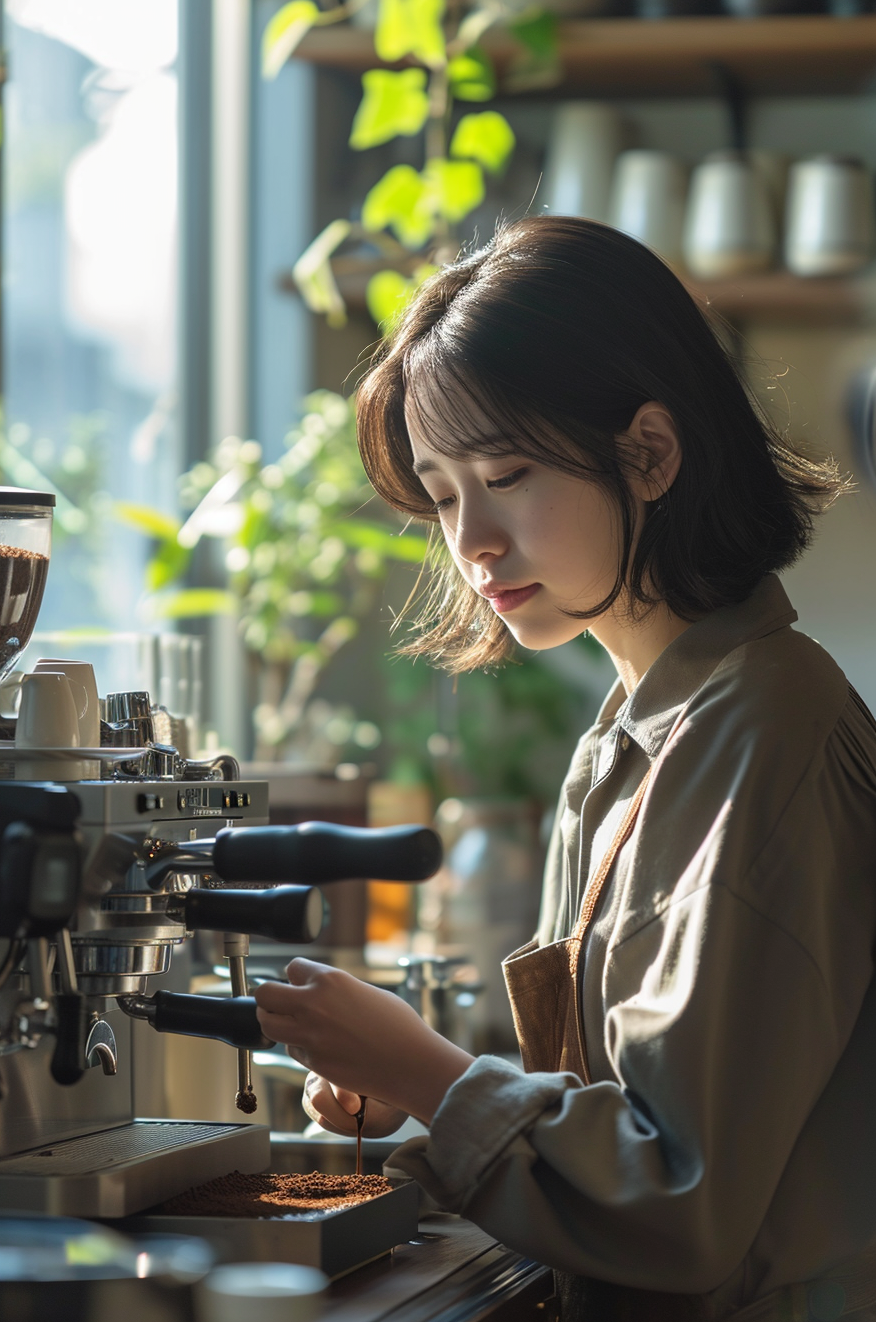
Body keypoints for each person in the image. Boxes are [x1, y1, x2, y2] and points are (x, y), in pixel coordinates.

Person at [254, 215, 876, 1321]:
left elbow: (678, 1198)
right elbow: (615, 1092)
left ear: (647, 452)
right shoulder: (631, 733)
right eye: (442, 494)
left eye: (507, 472)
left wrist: (428, 1077)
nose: (471, 541)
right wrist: (420, 1084)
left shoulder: (763, 726)